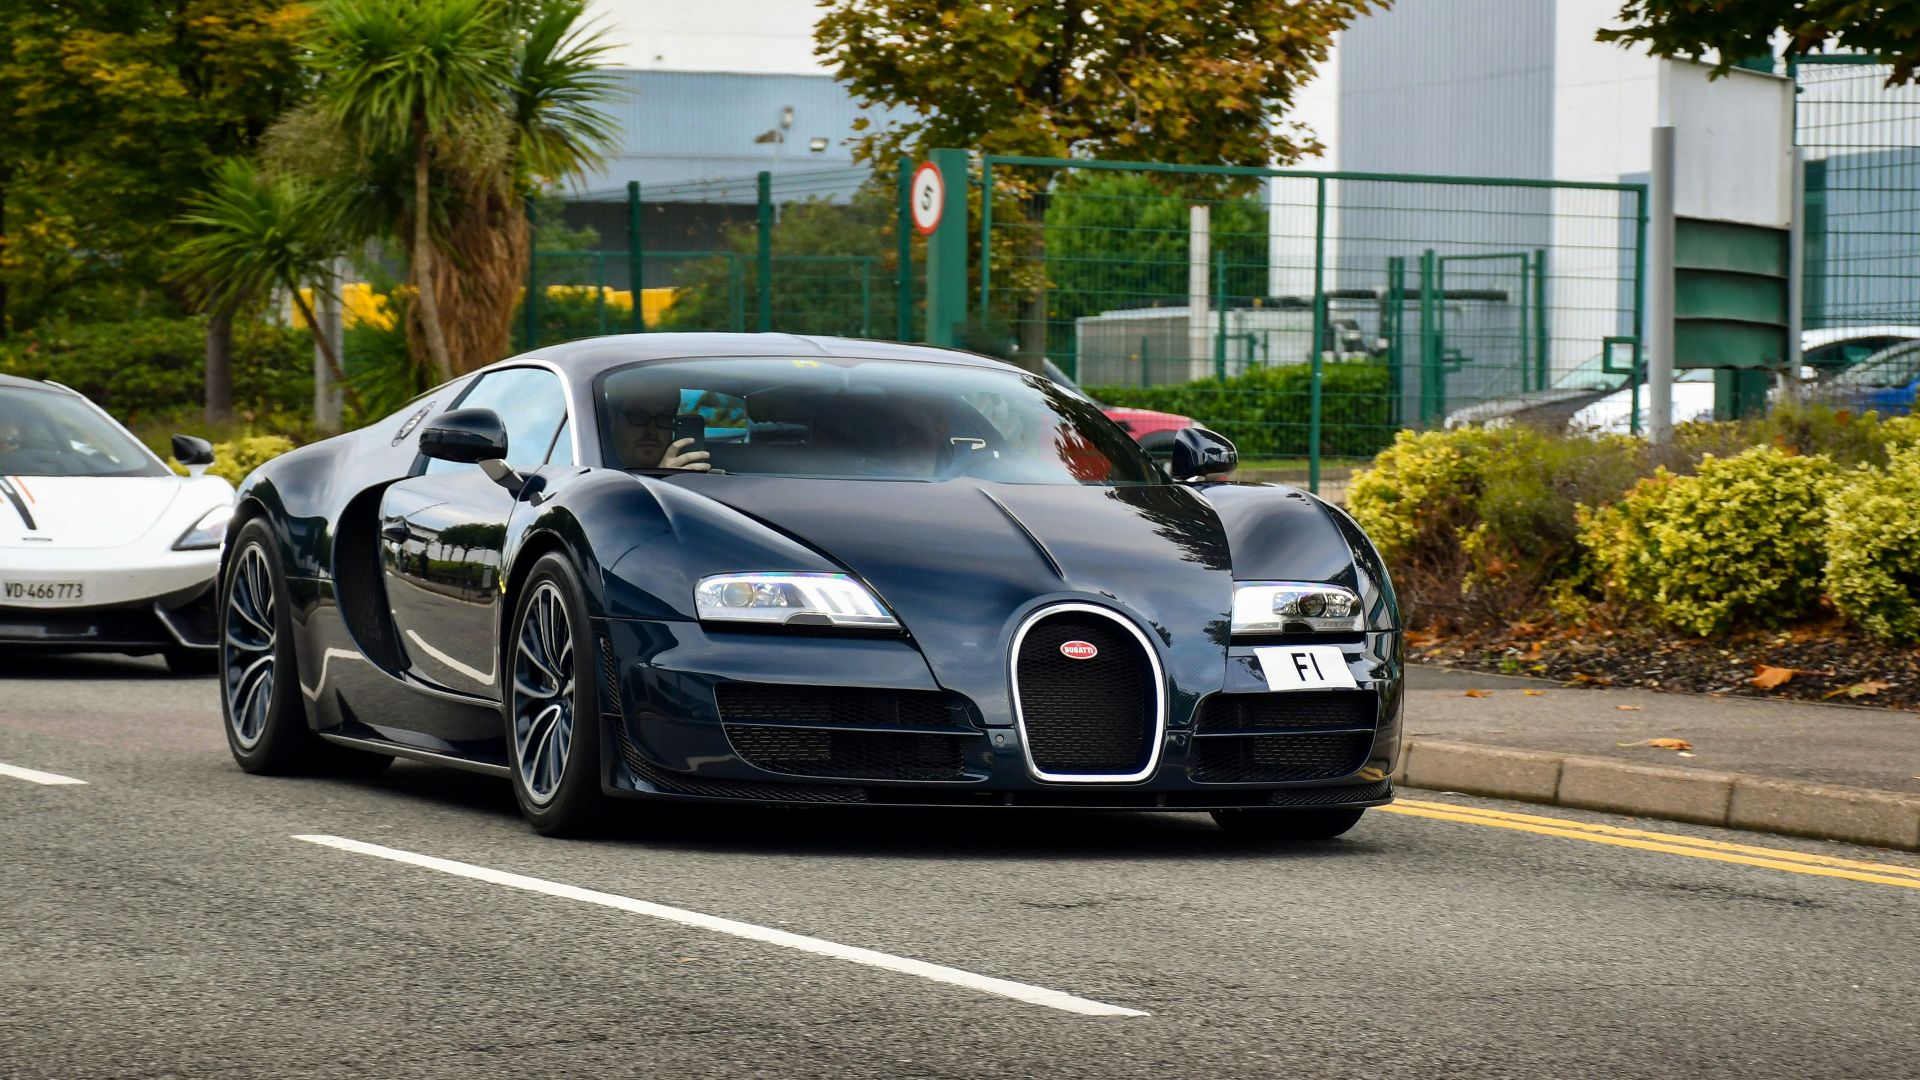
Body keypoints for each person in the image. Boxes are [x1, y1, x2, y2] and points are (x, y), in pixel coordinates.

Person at [609, 385, 710, 471]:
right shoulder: (596, 470)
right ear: (612, 419)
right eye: (639, 416)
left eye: (664, 418)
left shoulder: (695, 475)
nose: (652, 431)